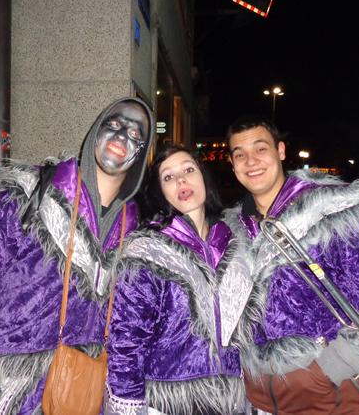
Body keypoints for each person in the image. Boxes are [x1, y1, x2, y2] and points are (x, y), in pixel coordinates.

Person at [0, 97, 154, 414]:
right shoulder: (29, 194)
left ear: (141, 153)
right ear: (96, 131)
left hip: (83, 396)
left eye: (135, 134)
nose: (122, 137)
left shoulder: (134, 232)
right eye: (115, 125)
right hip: (13, 395)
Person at [222, 115, 359, 415]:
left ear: (281, 151)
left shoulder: (332, 214)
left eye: (260, 149)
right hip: (259, 399)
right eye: (240, 154)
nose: (251, 161)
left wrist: (330, 368)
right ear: (232, 164)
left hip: (329, 396)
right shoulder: (232, 230)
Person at [104, 146, 253, 415]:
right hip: (168, 402)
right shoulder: (147, 252)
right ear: (160, 191)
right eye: (168, 177)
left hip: (231, 400)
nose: (181, 180)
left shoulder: (235, 243)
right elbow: (125, 344)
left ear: (203, 177)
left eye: (188, 170)